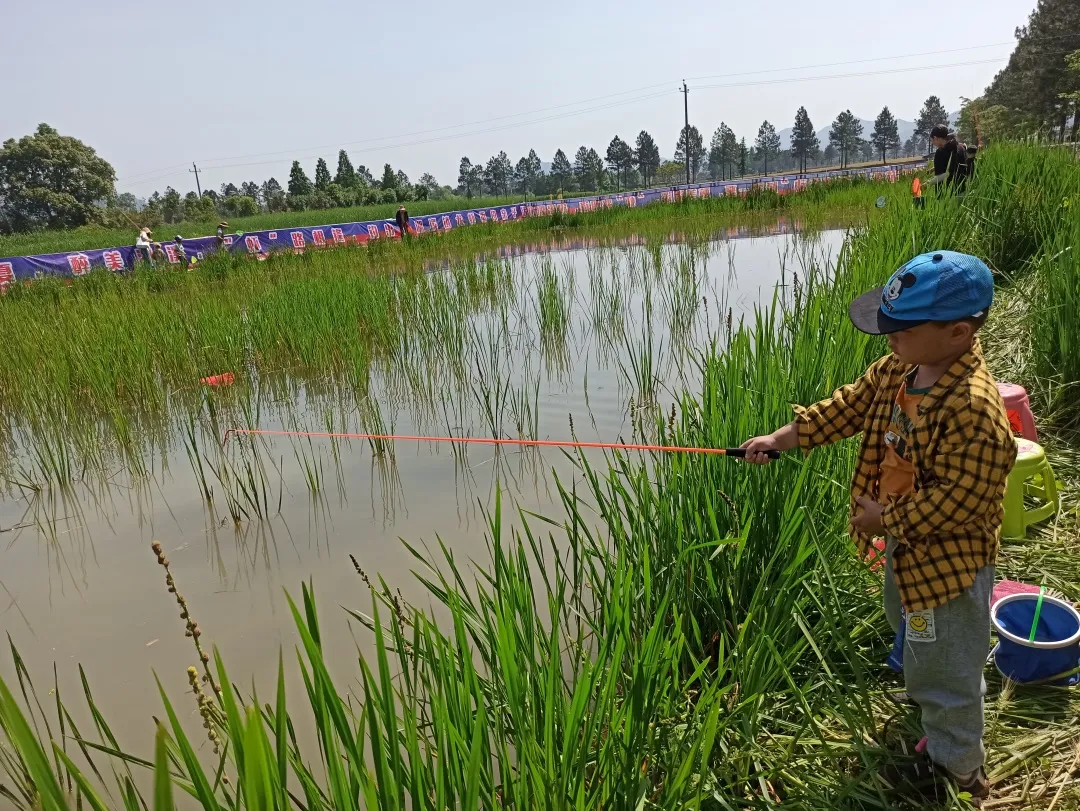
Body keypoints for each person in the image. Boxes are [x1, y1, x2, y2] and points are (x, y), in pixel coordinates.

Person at [741, 251, 1016, 805]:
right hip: (905, 548)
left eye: (899, 328)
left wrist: (883, 518)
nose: (886, 337)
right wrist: (782, 438)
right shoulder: (901, 369)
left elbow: (960, 504)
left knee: (949, 670)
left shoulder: (975, 412)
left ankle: (959, 767)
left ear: (958, 333)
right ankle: (931, 699)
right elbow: (846, 408)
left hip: (948, 567)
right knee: (911, 626)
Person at [926, 125, 968, 194]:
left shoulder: (941, 152)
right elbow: (954, 165)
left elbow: (948, 174)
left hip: (948, 193)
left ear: (935, 138)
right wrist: (932, 169)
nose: (933, 143)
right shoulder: (960, 148)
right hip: (962, 189)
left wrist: (926, 184)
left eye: (932, 140)